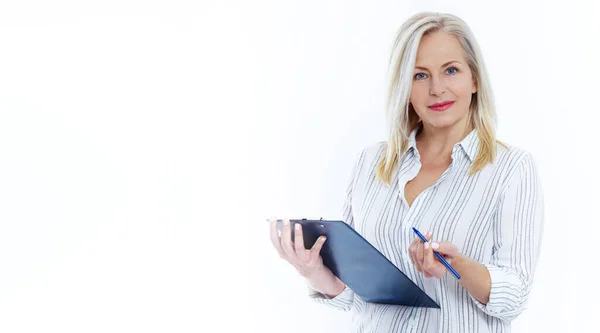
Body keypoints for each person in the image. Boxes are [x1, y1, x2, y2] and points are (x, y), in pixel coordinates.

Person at [268, 11, 544, 333]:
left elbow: (514, 296)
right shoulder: (370, 163)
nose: (437, 89)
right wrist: (314, 270)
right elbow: (355, 297)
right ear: (405, 87)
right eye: (420, 75)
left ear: (474, 79)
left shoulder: (512, 169)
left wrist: (457, 266)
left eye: (451, 70)